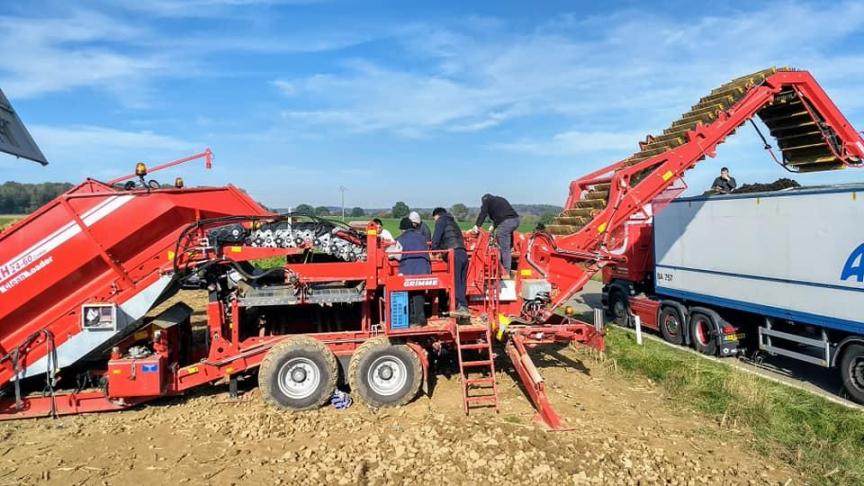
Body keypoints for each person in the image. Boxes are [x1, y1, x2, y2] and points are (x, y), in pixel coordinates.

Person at [431, 207, 469, 316]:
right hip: (463, 253)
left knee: (455, 282)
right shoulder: (453, 222)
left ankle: (461, 307)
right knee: (462, 282)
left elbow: (436, 239)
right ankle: (461, 306)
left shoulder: (440, 221)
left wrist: (434, 251)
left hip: (454, 254)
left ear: (437, 215)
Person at [396, 217, 431, 326]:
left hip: (409, 269)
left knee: (409, 294)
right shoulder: (422, 237)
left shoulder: (401, 238)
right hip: (424, 269)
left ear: (403, 229)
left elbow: (397, 255)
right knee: (419, 293)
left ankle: (411, 319)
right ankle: (421, 319)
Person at [472, 193, 520, 273]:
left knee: (504, 247)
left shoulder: (487, 201)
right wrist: (493, 226)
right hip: (516, 220)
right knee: (506, 241)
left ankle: (505, 271)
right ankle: (510, 252)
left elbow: (483, 213)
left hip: (506, 222)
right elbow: (502, 214)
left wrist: (477, 225)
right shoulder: (499, 199)